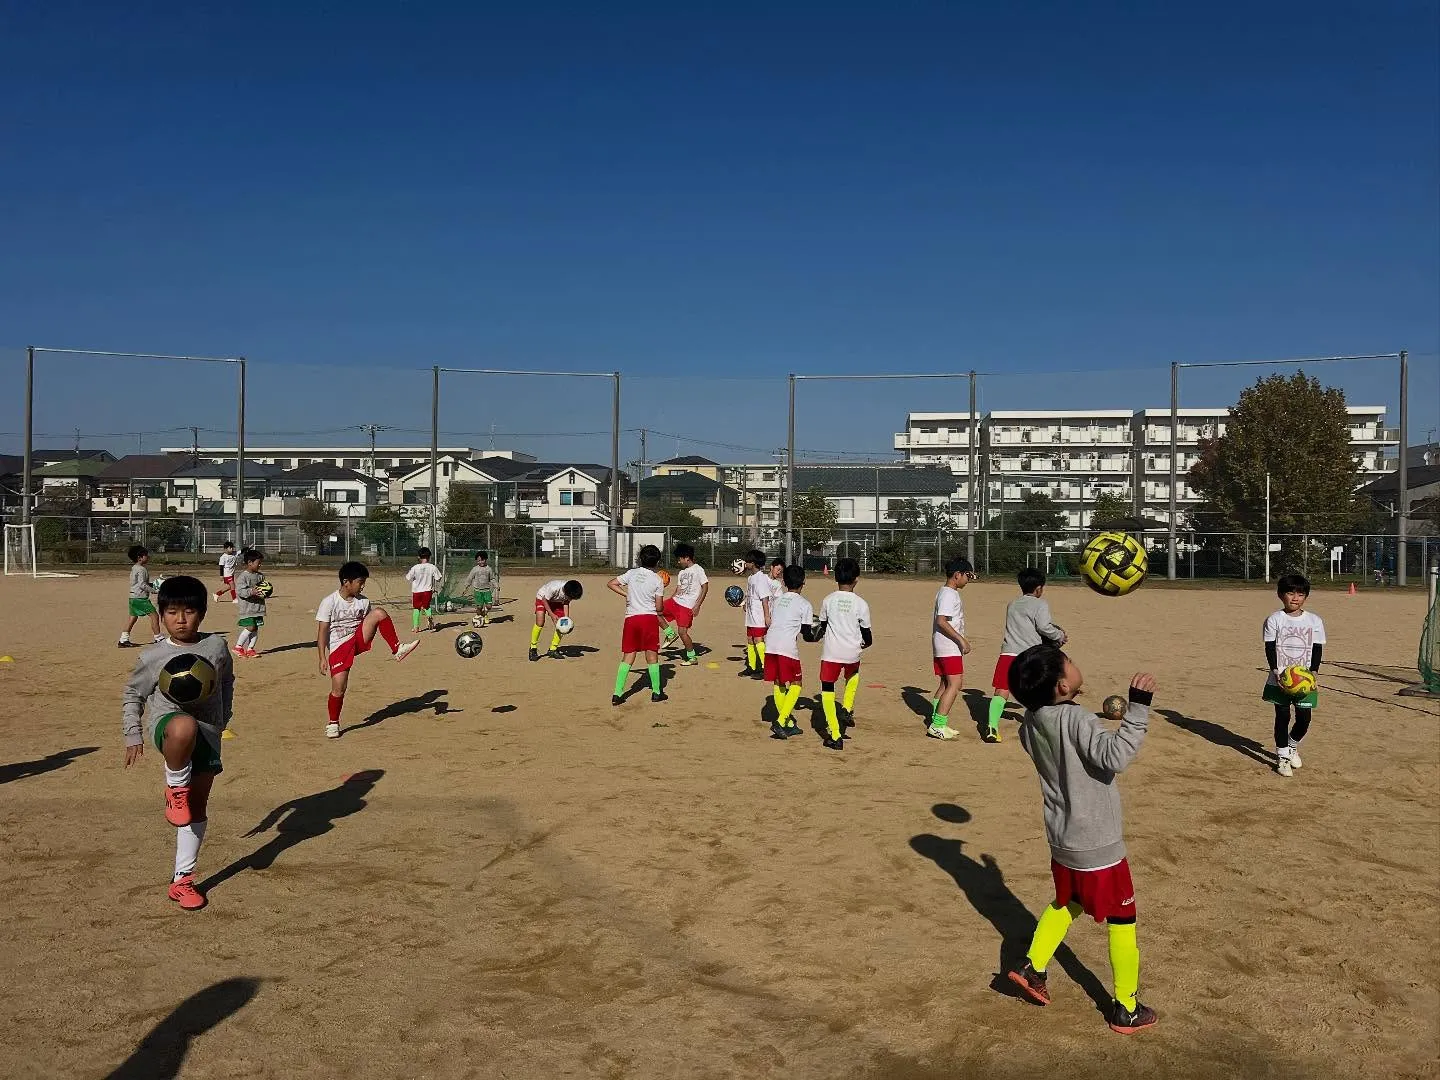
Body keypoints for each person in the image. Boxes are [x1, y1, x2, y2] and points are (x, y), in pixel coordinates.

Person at [1007, 642, 1159, 1035]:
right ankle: (1125, 1006)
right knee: (1123, 919)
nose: (1076, 665)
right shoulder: (1077, 720)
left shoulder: (1031, 720)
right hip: (1097, 842)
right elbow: (1115, 758)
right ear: (1061, 685)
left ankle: (1033, 966)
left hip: (1063, 838)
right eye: (1069, 663)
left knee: (1067, 900)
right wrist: (1137, 710)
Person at [121, 575, 235, 911]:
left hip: (208, 731)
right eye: (171, 611)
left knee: (196, 809)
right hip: (169, 729)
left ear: (202, 613)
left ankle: (182, 880)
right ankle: (174, 787)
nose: (180, 619)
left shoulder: (215, 646)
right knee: (182, 726)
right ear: (162, 613)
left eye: (188, 611)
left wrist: (224, 716)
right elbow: (133, 693)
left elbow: (226, 680)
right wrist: (133, 734)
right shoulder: (153, 655)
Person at [316, 561, 420, 739]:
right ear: (346, 581)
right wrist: (322, 657)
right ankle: (333, 723)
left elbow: (369, 622)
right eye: (360, 582)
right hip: (339, 647)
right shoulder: (329, 602)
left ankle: (397, 649)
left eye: (364, 582)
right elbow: (322, 631)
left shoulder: (363, 602)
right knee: (339, 688)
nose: (362, 586)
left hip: (357, 638)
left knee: (379, 613)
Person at [986, 567, 1067, 744]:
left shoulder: (1012, 604)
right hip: (1029, 655)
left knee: (1001, 690)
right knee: (1040, 691)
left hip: (1008, 652)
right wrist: (1059, 636)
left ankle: (992, 727)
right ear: (1039, 588)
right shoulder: (1041, 604)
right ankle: (1045, 730)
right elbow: (1044, 627)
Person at [1263, 573, 1326, 778]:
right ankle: (1282, 757)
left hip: (1305, 680)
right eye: (1290, 593)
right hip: (1280, 678)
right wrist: (1276, 671)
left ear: (1306, 597)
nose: (1295, 598)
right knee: (1282, 716)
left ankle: (1291, 745)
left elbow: (1317, 649)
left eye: (1300, 594)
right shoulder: (1274, 620)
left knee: (1304, 719)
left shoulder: (1314, 621)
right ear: (1281, 595)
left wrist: (1314, 672)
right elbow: (1270, 647)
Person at [813, 557, 872, 751]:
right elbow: (867, 634)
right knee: (852, 676)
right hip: (852, 653)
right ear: (856, 579)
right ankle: (847, 707)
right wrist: (864, 643)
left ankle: (836, 735)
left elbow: (822, 625)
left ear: (836, 578)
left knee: (827, 690)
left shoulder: (828, 600)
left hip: (831, 653)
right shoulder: (861, 603)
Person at [608, 545, 671, 705]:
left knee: (628, 655)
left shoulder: (631, 573)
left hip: (631, 619)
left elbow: (611, 583)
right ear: (657, 561)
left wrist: (627, 594)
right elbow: (658, 608)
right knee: (651, 655)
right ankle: (656, 692)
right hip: (648, 619)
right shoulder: (657, 580)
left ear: (640, 559)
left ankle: (617, 693)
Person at [765, 564, 818, 739]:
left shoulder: (778, 599)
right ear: (804, 582)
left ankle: (787, 723)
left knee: (779, 683)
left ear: (785, 581)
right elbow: (806, 634)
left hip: (770, 644)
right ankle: (780, 722)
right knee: (796, 684)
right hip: (787, 648)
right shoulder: (804, 604)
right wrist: (819, 634)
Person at [928, 556, 975, 740]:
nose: (968, 580)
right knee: (955, 685)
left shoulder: (945, 592)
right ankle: (938, 724)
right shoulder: (949, 594)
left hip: (942, 646)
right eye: (967, 576)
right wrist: (961, 640)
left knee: (945, 684)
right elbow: (942, 621)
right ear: (957, 575)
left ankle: (936, 720)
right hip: (948, 647)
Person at [664, 543, 710, 666]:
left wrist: (698, 605)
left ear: (687, 558)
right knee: (654, 609)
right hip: (676, 601)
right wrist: (670, 600)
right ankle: (669, 633)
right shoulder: (681, 573)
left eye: (679, 559)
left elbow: (705, 587)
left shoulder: (698, 569)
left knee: (682, 632)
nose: (678, 562)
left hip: (687, 606)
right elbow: (678, 589)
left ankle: (692, 657)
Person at [119, 544, 164, 648]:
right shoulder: (141, 569)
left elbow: (139, 583)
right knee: (154, 615)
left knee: (132, 618)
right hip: (140, 598)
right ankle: (158, 638)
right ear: (139, 558)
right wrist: (154, 591)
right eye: (146, 555)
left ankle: (123, 639)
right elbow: (142, 584)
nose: (148, 557)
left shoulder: (135, 568)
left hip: (133, 597)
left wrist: (155, 583)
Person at [740, 550, 775, 678]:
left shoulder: (761, 578)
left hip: (759, 616)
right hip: (751, 615)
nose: (745, 563)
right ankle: (752, 666)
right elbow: (750, 594)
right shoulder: (750, 578)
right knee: (750, 640)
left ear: (753, 563)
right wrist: (745, 603)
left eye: (747, 561)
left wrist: (766, 616)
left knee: (758, 640)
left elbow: (765, 598)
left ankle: (766, 668)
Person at [531, 578, 583, 661]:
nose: (571, 599)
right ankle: (533, 648)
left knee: (561, 625)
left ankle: (552, 649)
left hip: (557, 602)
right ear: (566, 593)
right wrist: (552, 614)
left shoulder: (570, 591)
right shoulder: (554, 588)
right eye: (571, 598)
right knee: (540, 622)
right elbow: (544, 600)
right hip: (542, 598)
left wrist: (566, 619)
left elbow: (566, 603)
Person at [233, 549, 268, 658]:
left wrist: (266, 592)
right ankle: (238, 647)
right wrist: (250, 591)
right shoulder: (243, 577)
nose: (260, 565)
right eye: (258, 562)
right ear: (250, 563)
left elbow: (264, 588)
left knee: (255, 628)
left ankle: (250, 649)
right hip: (247, 608)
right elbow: (240, 591)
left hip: (258, 608)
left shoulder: (260, 576)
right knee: (251, 627)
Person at [406, 547, 444, 633]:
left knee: (416, 609)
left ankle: (416, 627)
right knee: (427, 607)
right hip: (427, 591)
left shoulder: (415, 567)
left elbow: (408, 577)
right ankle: (430, 624)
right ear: (429, 557)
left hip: (417, 591)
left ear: (419, 557)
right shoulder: (432, 567)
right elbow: (438, 578)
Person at [461, 551, 498, 627]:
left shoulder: (489, 569)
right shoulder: (475, 569)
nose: (480, 562)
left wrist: (496, 585)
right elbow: (470, 578)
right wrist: (466, 587)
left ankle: (485, 614)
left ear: (486, 559)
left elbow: (492, 578)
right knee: (479, 607)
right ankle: (479, 618)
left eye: (482, 560)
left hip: (487, 590)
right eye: (478, 561)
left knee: (489, 606)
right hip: (478, 591)